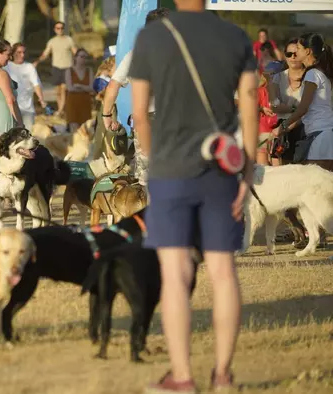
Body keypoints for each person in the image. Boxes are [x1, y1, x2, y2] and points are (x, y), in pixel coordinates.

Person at [129, 0, 258, 391]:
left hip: (170, 170)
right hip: (220, 169)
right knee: (223, 272)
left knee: (174, 275)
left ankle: (182, 378)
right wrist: (248, 172)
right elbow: (250, 106)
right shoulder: (235, 36)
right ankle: (222, 375)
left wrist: (154, 160)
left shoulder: (152, 37)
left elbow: (138, 115)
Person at [101, 7, 170, 185]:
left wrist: (107, 114)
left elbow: (113, 85)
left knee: (145, 177)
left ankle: (148, 210)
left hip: (146, 121)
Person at [273, 32, 333, 172]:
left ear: (307, 51)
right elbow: (306, 113)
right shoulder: (318, 72)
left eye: (298, 48)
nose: (295, 51)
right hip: (322, 134)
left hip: (321, 137)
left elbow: (303, 109)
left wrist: (282, 126)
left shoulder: (312, 74)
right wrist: (285, 128)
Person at [268, 38, 304, 166]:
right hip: (282, 129)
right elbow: (275, 105)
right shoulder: (277, 78)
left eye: (296, 54)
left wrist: (288, 108)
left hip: (304, 128)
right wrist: (296, 108)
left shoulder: (311, 77)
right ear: (285, 55)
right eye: (289, 54)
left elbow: (307, 111)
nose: (293, 57)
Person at [33, 21, 78, 116]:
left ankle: (61, 110)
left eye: (61, 28)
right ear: (55, 29)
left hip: (67, 67)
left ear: (64, 29)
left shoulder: (69, 40)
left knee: (64, 89)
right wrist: (37, 61)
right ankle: (61, 109)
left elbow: (75, 52)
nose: (60, 30)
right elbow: (45, 54)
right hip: (56, 68)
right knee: (58, 91)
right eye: (58, 28)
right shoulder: (52, 41)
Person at [5, 43, 48, 130]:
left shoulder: (29, 67)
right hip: (12, 108)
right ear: (13, 53)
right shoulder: (7, 67)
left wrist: (41, 99)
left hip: (28, 109)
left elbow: (36, 84)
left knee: (28, 136)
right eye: (19, 52)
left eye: (24, 52)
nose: (22, 55)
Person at [65, 49, 94, 133]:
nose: (83, 59)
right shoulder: (69, 71)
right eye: (81, 56)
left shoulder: (89, 71)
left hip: (85, 103)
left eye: (85, 57)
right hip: (72, 103)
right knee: (74, 132)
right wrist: (85, 88)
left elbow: (92, 88)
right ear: (75, 57)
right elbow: (70, 88)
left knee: (85, 131)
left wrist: (79, 86)